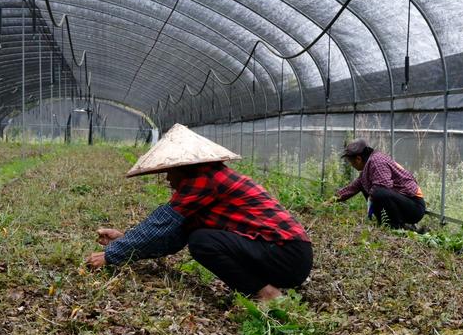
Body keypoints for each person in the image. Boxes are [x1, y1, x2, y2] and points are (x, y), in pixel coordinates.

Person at [85, 124, 312, 301]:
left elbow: (160, 222)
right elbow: (171, 236)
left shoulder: (204, 180)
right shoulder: (205, 182)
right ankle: (263, 288)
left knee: (202, 241)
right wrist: (125, 240)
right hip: (286, 255)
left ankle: (266, 294)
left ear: (182, 167)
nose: (168, 179)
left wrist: (111, 254)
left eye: (169, 171)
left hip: (288, 254)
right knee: (199, 235)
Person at [331, 138, 426, 230]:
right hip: (403, 202)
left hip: (414, 206)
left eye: (351, 162)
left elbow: (384, 186)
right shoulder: (369, 165)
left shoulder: (376, 161)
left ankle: (395, 226)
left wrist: (371, 200)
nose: (351, 165)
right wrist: (331, 201)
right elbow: (352, 188)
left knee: (378, 192)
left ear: (358, 159)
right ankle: (386, 223)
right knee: (367, 186)